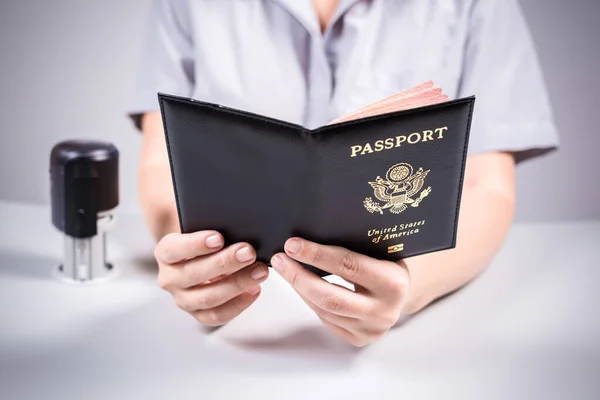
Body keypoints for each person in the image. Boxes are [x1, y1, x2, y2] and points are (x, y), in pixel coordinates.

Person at [129, 0, 558, 346]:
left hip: (412, 329)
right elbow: (161, 159)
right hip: (243, 312)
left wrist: (411, 286)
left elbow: (488, 186)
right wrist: (191, 259)